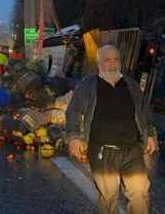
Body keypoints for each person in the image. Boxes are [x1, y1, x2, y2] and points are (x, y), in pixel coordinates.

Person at [66, 44, 158, 214]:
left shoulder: (131, 84)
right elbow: (74, 110)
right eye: (107, 60)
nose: (112, 64)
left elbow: (143, 110)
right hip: (102, 152)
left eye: (116, 59)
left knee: (139, 194)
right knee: (108, 199)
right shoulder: (88, 85)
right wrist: (73, 137)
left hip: (132, 150)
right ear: (99, 63)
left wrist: (150, 134)